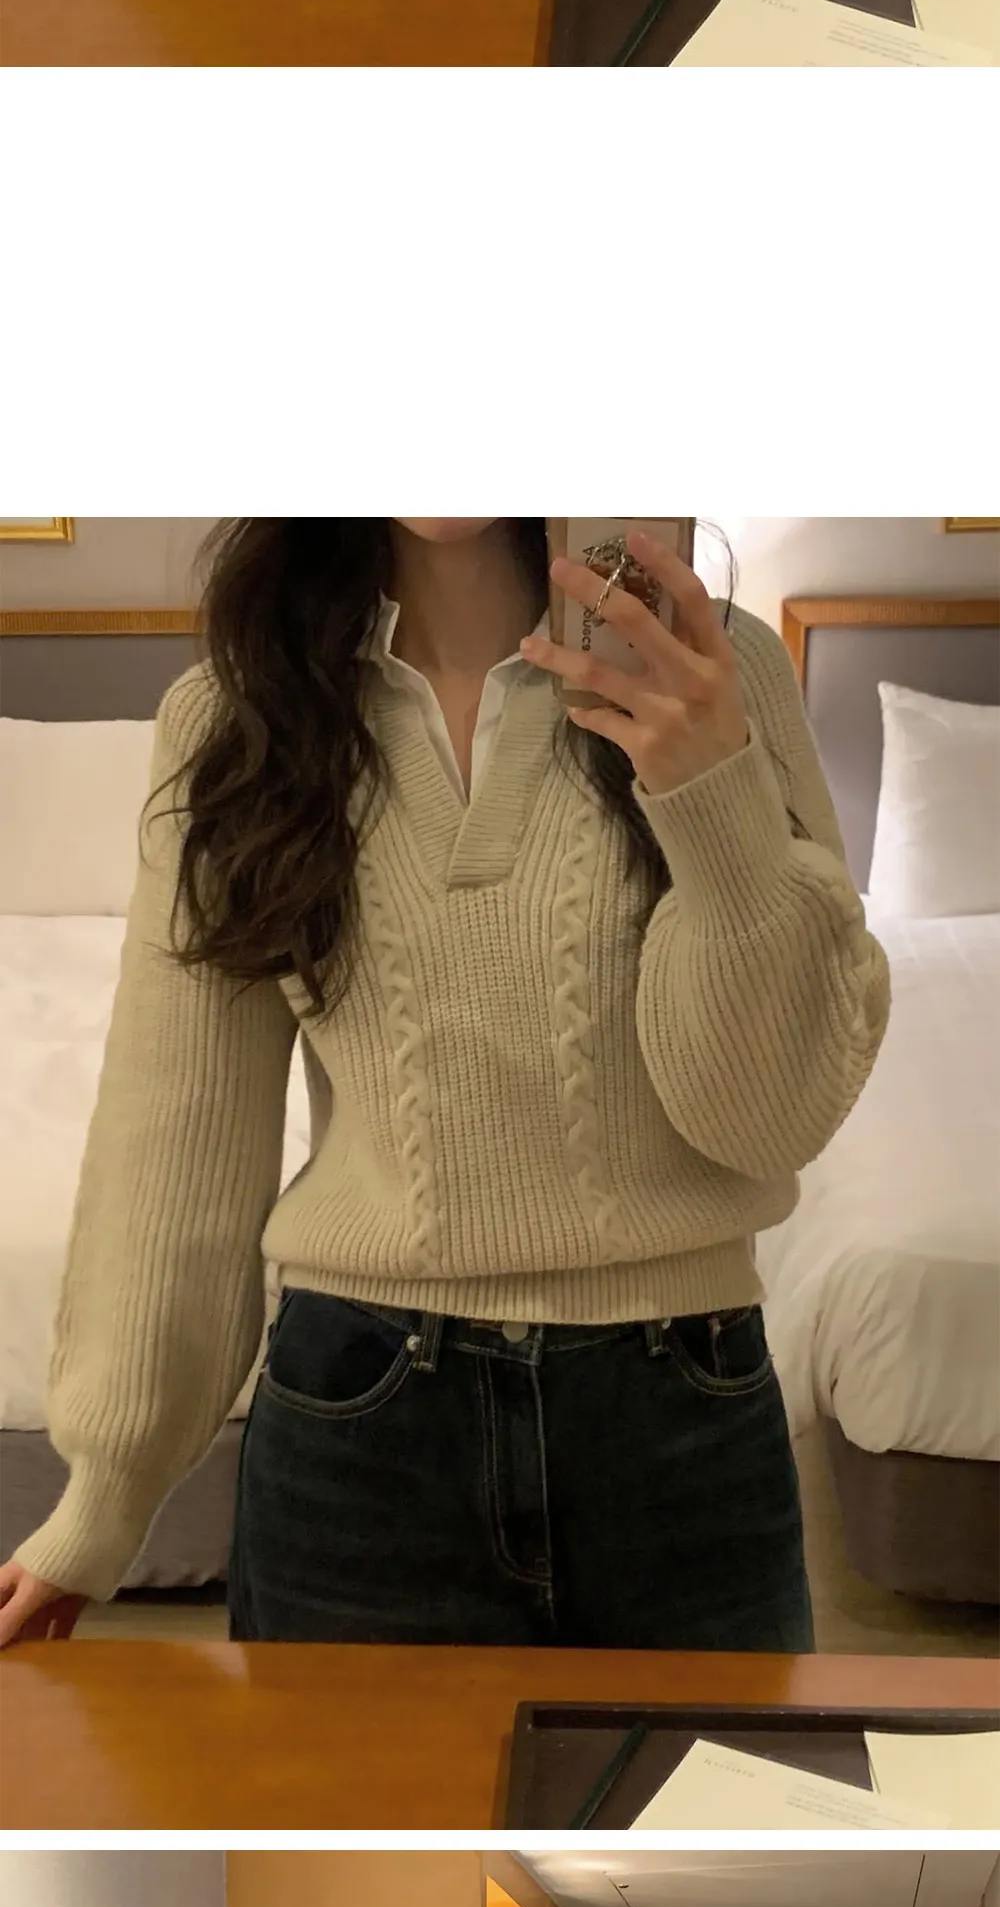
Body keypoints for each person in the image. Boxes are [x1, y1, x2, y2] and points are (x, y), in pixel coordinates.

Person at [0, 512, 889, 1656]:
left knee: (714, 1786)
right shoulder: (240, 710)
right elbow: (175, 1127)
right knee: (351, 1794)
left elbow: (768, 1119)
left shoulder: (717, 669)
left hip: (682, 1420)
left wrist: (713, 798)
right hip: (358, 1432)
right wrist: (104, 1497)